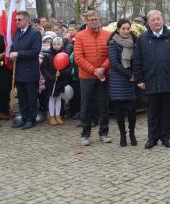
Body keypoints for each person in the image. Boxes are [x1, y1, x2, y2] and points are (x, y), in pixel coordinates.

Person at [133, 10, 170, 149]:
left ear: (162, 20)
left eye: (158, 19)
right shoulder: (143, 38)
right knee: (152, 111)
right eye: (153, 20)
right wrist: (139, 79)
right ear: (149, 23)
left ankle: (165, 137)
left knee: (166, 110)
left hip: (169, 79)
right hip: (150, 80)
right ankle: (152, 137)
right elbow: (137, 60)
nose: (156, 22)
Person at [74, 9, 112, 146]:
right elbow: (78, 57)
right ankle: (85, 134)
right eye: (91, 20)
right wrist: (94, 70)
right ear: (86, 21)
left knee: (103, 105)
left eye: (95, 19)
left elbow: (111, 55)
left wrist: (103, 68)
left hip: (104, 74)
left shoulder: (108, 35)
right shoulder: (79, 36)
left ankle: (104, 133)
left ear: (98, 19)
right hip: (86, 77)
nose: (94, 22)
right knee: (86, 105)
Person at [108, 19, 139, 147]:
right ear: (118, 29)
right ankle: (123, 135)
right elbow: (114, 63)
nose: (126, 31)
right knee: (119, 111)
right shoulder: (113, 43)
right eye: (123, 28)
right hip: (118, 81)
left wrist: (135, 74)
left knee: (132, 110)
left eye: (128, 28)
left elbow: (138, 60)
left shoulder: (135, 42)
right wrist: (129, 75)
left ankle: (132, 133)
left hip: (131, 81)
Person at [10, 11, 42, 130]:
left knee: (31, 97)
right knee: (22, 97)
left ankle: (31, 119)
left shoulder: (35, 34)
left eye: (19, 19)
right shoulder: (17, 33)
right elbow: (13, 48)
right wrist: (11, 54)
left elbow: (35, 51)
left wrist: (18, 54)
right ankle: (24, 118)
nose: (17, 22)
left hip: (30, 71)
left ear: (27, 20)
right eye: (16, 20)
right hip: (19, 70)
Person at [41, 37, 70, 126]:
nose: (56, 46)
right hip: (51, 81)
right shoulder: (48, 55)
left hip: (61, 80)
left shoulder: (65, 54)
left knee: (58, 98)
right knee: (51, 98)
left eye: (58, 44)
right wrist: (52, 77)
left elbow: (69, 68)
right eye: (54, 44)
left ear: (62, 45)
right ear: (51, 45)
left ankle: (58, 115)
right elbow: (44, 69)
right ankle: (51, 116)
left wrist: (61, 73)